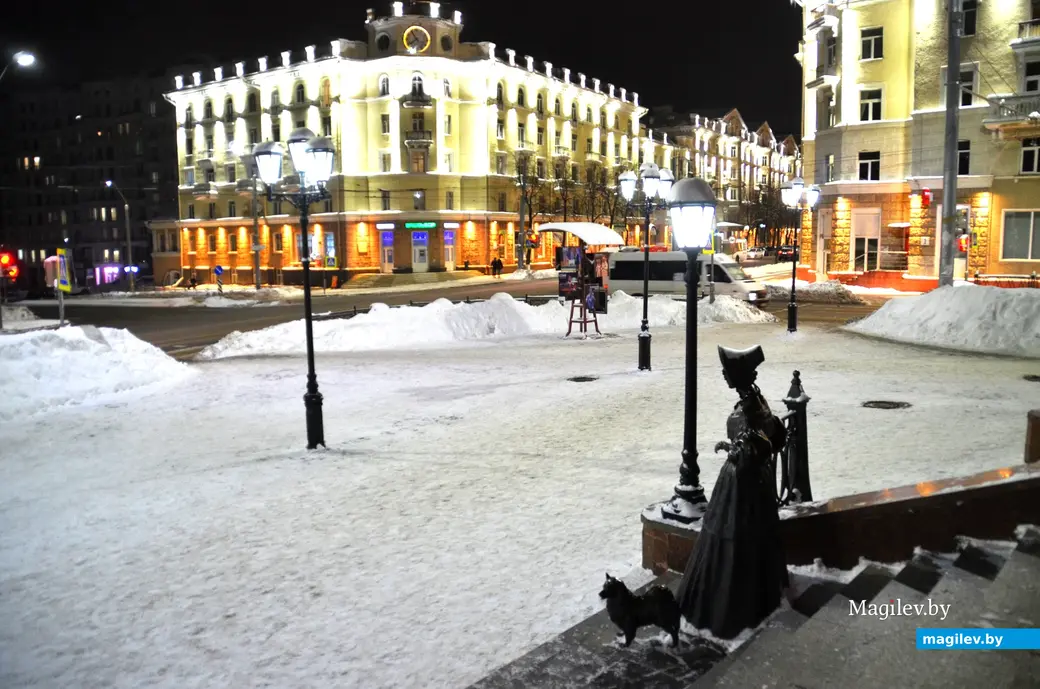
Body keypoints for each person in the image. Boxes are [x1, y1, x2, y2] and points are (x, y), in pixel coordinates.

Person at [676, 344, 789, 640]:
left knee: (732, 540)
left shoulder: (751, 402)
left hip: (742, 487)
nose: (724, 376)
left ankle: (727, 610)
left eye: (727, 371)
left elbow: (762, 441)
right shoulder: (751, 397)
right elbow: (769, 434)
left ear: (737, 375)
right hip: (747, 484)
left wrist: (737, 450)